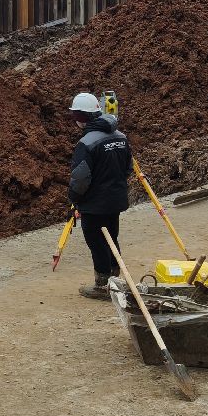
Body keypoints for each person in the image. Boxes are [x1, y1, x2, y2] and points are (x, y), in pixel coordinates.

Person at [67, 92, 133, 300]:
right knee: (112, 236)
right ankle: (115, 278)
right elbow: (128, 168)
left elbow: (80, 178)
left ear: (81, 117)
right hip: (116, 199)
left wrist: (74, 198)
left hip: (94, 204)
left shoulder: (86, 143)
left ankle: (103, 285)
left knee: (96, 241)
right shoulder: (120, 137)